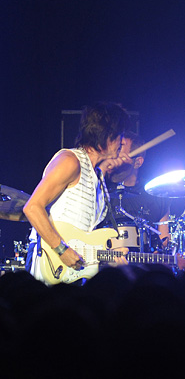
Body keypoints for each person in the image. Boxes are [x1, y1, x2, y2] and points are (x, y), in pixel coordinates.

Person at [24, 102, 132, 284]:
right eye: (118, 135)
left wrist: (108, 257)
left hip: (73, 271)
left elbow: (86, 236)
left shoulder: (97, 175)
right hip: (51, 263)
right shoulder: (69, 161)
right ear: (104, 136)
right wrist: (61, 250)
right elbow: (32, 207)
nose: (122, 141)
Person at [96, 130, 171, 253]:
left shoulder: (156, 193)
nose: (114, 157)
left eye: (120, 151)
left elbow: (164, 238)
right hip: (105, 267)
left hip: (145, 268)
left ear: (138, 162)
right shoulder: (99, 188)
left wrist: (161, 254)